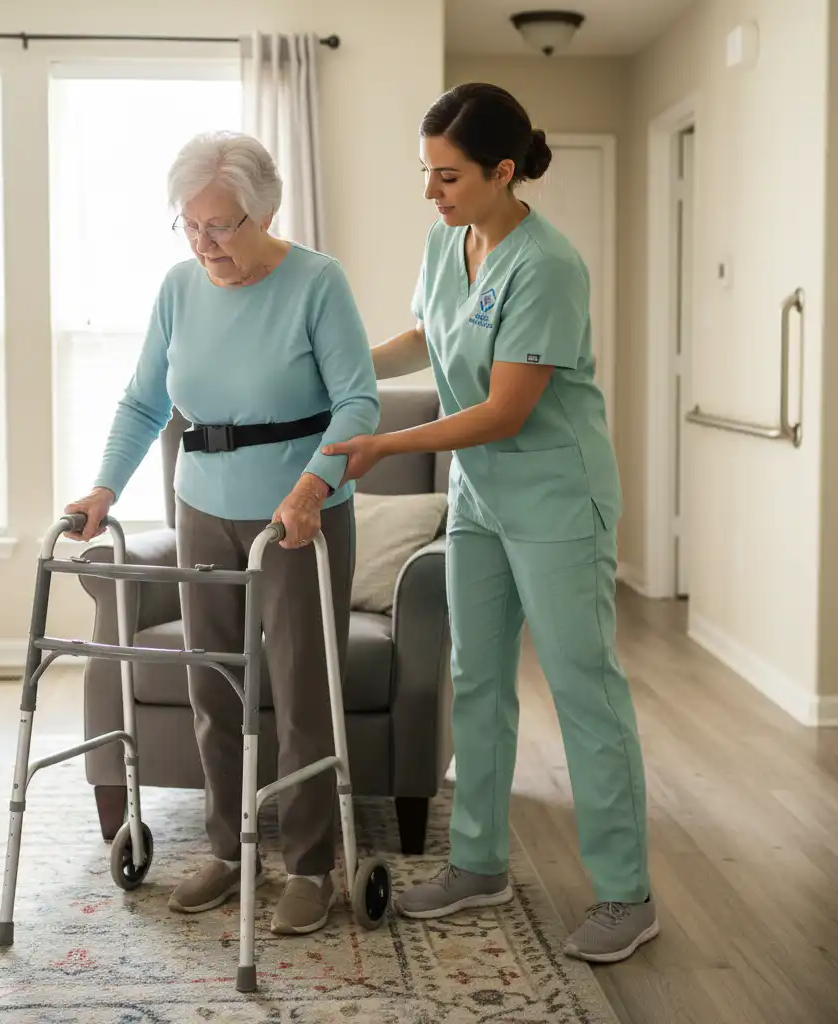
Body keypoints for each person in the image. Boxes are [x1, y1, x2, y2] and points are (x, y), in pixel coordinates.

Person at [322, 84, 657, 963]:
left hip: (554, 496)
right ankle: (477, 863)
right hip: (480, 497)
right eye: (425, 174)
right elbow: (424, 339)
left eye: (448, 177)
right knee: (475, 677)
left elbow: (506, 410)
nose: (430, 193)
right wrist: (332, 361)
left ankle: (627, 893)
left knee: (585, 691)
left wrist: (384, 439)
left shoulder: (547, 265)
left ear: (503, 173)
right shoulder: (449, 239)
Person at [64, 130, 379, 937]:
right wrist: (104, 489)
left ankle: (309, 863)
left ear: (266, 212)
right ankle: (231, 850)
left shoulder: (317, 282)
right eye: (191, 225)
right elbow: (143, 404)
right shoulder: (178, 287)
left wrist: (314, 486)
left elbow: (357, 404)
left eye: (223, 226)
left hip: (298, 513)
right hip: (201, 503)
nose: (206, 244)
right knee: (213, 684)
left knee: (302, 688)